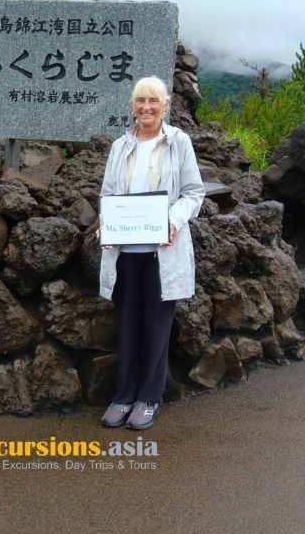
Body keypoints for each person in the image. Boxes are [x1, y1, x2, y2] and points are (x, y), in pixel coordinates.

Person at [98, 75, 205, 430]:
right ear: (133, 105)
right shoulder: (120, 146)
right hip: (126, 251)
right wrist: (106, 225)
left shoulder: (179, 142)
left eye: (153, 101)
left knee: (157, 327)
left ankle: (149, 397)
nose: (146, 107)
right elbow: (109, 194)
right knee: (127, 324)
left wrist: (172, 221)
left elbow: (193, 192)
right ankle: (124, 395)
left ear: (165, 106)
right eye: (140, 100)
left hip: (163, 251)